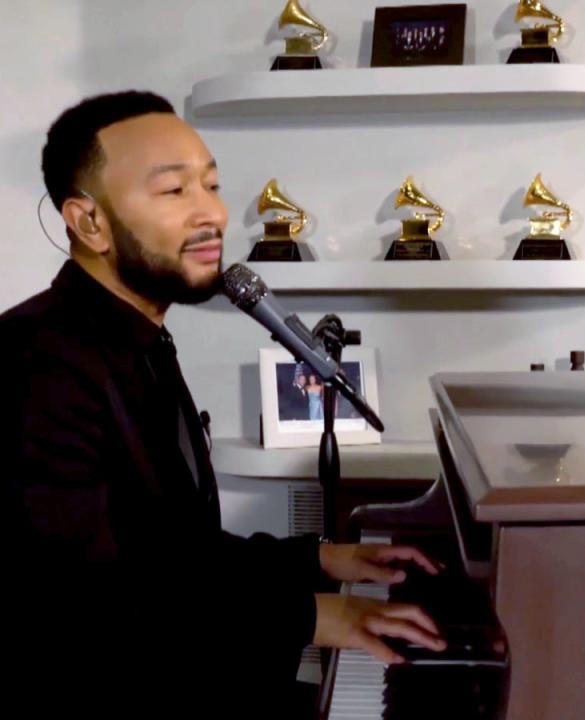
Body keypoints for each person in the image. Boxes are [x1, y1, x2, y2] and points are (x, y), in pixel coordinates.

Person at [1, 91, 445, 718]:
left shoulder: (139, 342)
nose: (210, 213)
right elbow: (90, 602)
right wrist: (321, 613)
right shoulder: (34, 365)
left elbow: (175, 553)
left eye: (211, 185)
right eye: (174, 191)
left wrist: (318, 559)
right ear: (90, 222)